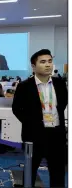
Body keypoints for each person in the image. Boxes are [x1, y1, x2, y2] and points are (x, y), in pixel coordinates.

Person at [12, 49, 67, 188]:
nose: (48, 65)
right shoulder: (24, 86)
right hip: (34, 135)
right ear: (33, 66)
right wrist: (32, 123)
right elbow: (17, 109)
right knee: (30, 171)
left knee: (58, 172)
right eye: (43, 62)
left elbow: (63, 104)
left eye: (50, 61)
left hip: (56, 134)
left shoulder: (60, 84)